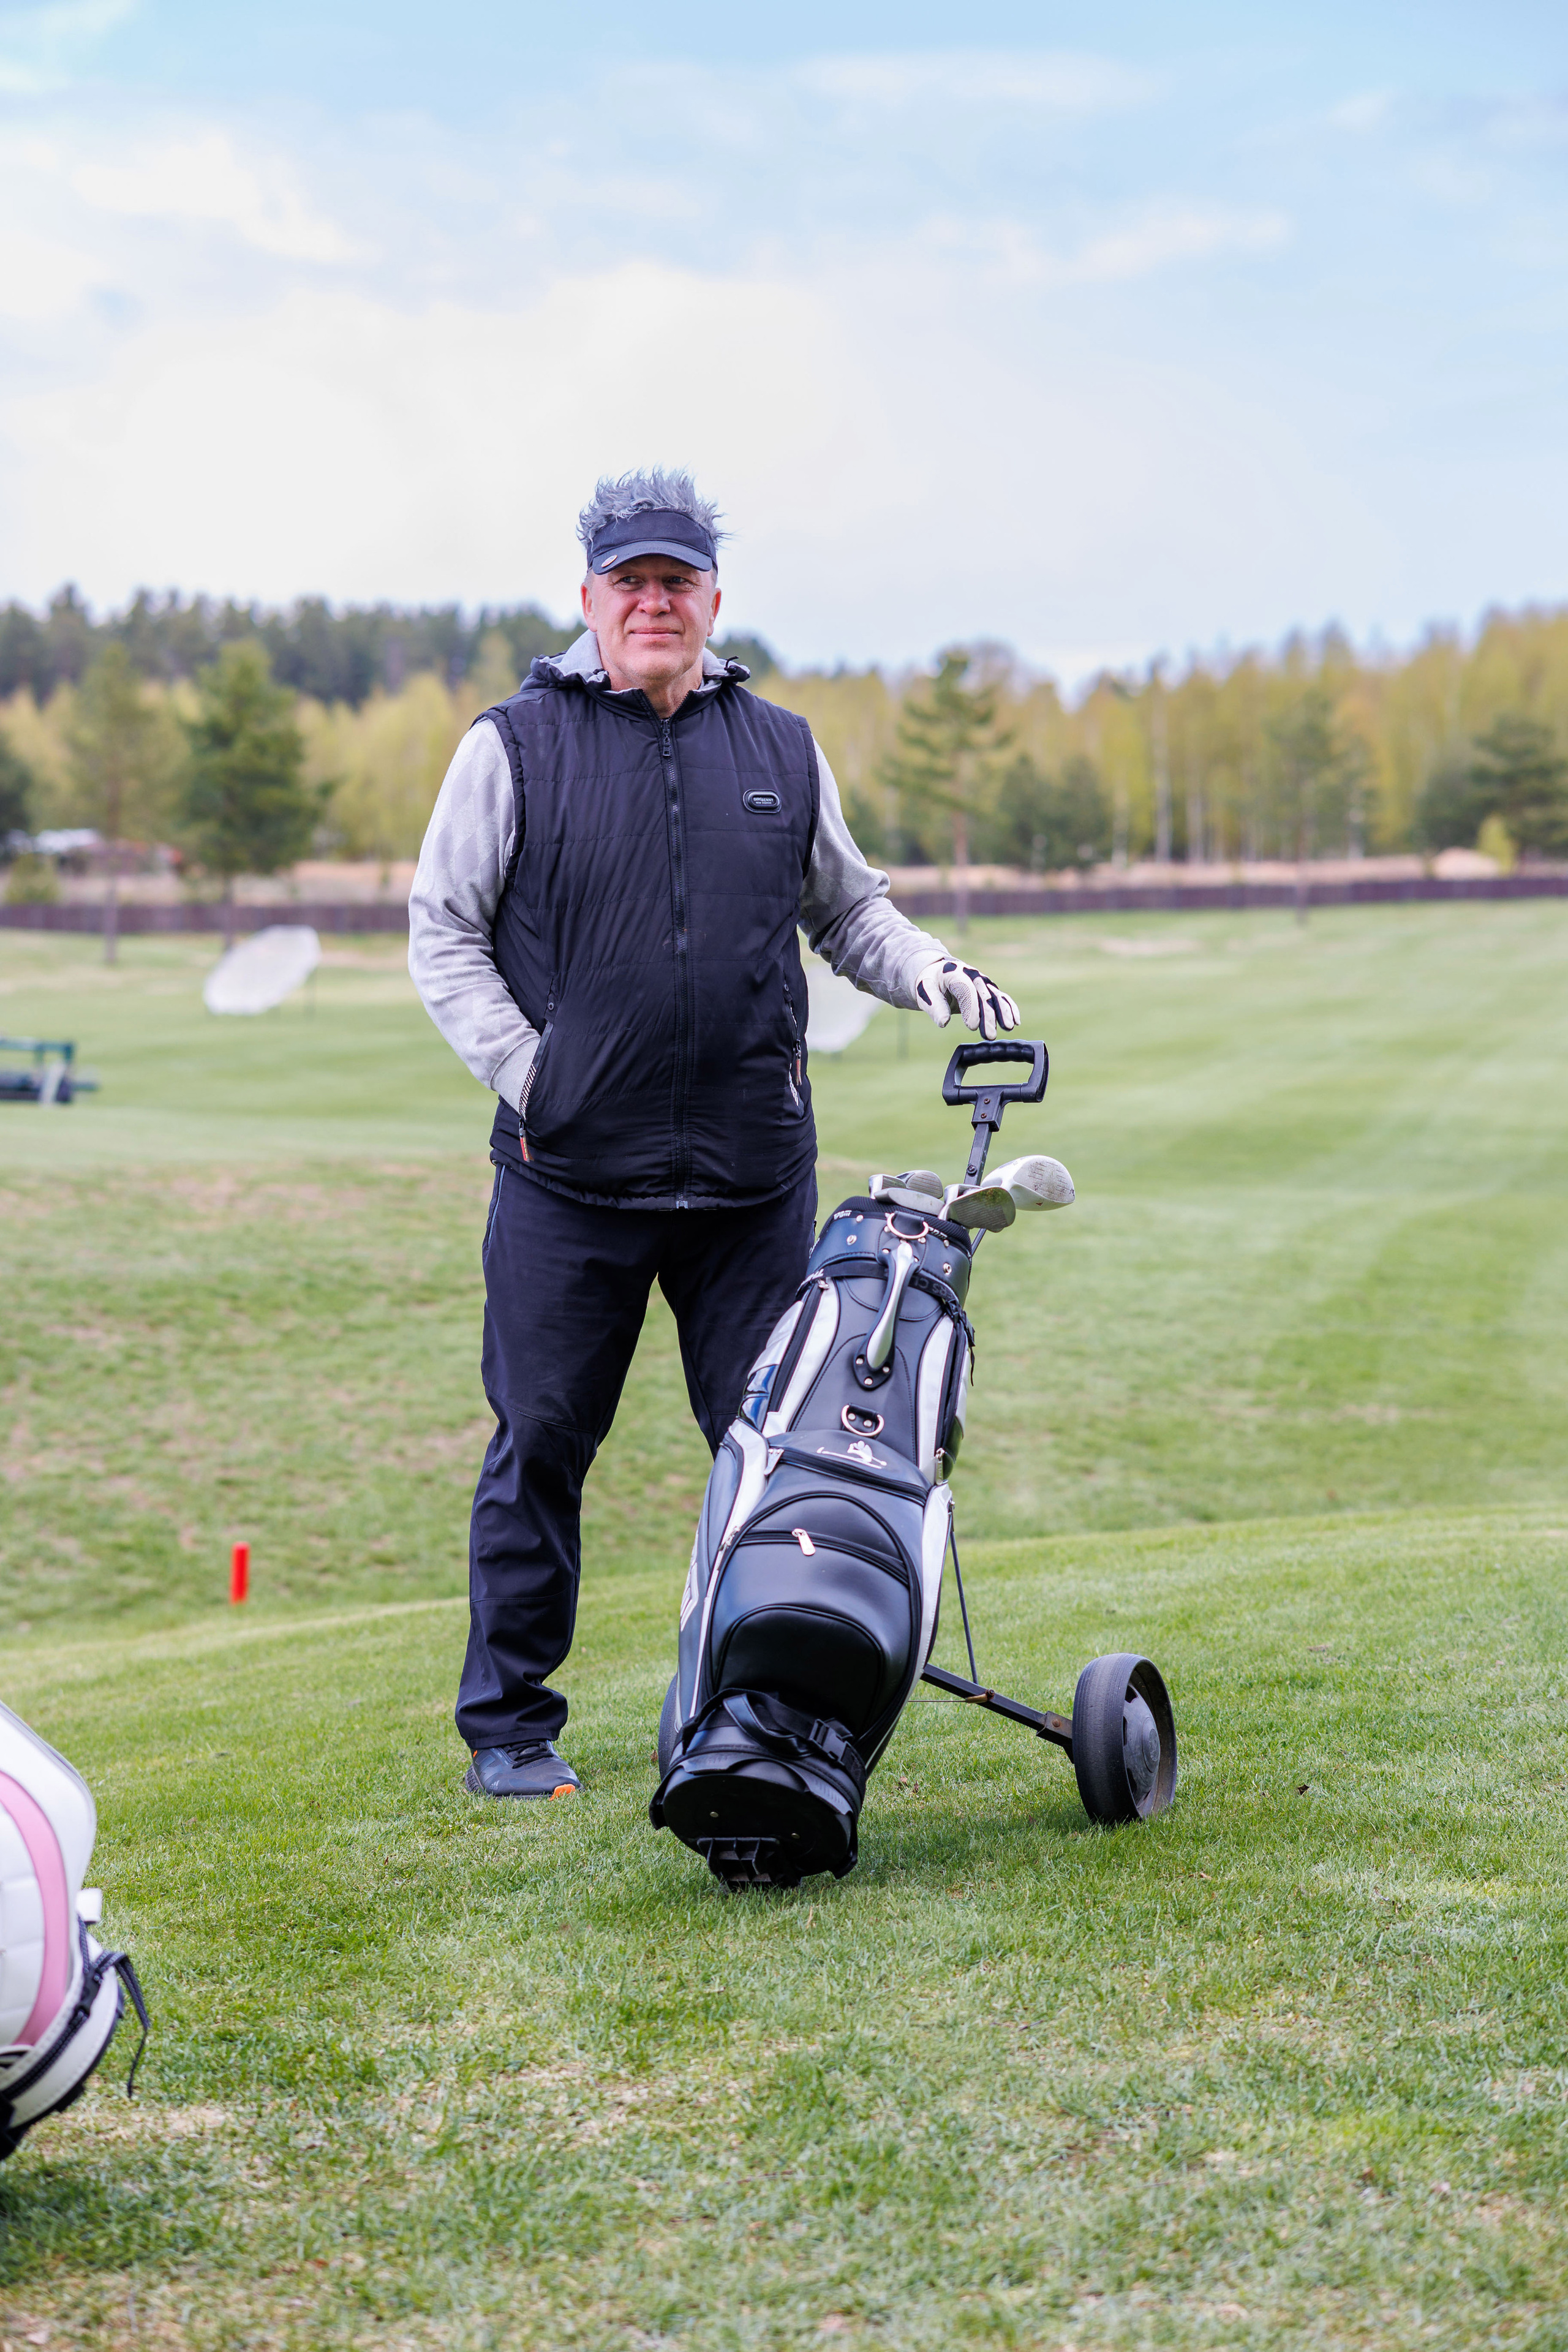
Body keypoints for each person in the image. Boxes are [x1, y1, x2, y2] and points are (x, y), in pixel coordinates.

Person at [409, 469, 1020, 1799]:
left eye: (673, 581)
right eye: (627, 582)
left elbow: (850, 913)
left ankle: (754, 1710)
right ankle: (511, 1730)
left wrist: (928, 974)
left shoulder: (779, 748)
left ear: (711, 600)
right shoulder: (509, 744)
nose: (651, 602)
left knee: (775, 1454)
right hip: (568, 1179)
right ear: (587, 600)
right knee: (541, 1446)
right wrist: (537, 1078)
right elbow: (443, 935)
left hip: (748, 1181)